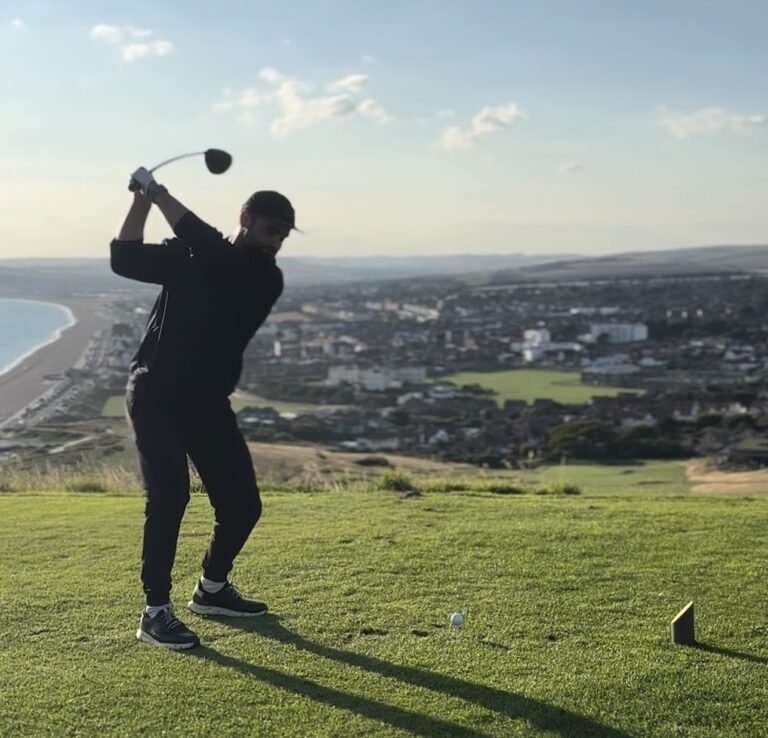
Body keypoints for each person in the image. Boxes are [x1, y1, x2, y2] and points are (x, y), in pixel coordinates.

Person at [110, 165, 295, 649]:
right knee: (170, 497)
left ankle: (211, 588)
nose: (276, 242)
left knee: (242, 504)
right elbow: (124, 258)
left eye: (283, 236)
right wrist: (141, 202)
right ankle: (155, 612)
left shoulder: (262, 276)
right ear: (246, 218)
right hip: (155, 395)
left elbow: (211, 247)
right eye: (271, 230)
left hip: (207, 403)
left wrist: (157, 190)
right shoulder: (191, 255)